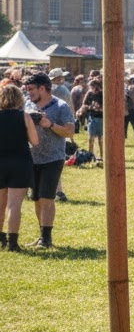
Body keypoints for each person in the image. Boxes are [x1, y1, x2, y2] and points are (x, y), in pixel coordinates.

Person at [23, 72, 76, 249]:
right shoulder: (28, 104)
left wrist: (50, 125)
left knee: (47, 197)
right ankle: (41, 235)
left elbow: (69, 131)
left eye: (31, 89)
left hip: (53, 158)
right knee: (37, 198)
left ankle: (47, 239)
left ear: (43, 88)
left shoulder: (60, 106)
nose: (28, 92)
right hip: (32, 157)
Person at [0, 82, 40, 253]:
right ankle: (13, 242)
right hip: (19, 162)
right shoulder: (24, 116)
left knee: (0, 204)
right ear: (19, 99)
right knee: (14, 205)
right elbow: (35, 141)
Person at [78, 76, 104, 162]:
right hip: (92, 118)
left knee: (101, 139)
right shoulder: (89, 94)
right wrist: (90, 107)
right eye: (91, 87)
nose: (93, 89)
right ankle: (90, 156)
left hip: (101, 119)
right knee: (91, 138)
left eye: (94, 87)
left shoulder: (103, 94)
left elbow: (108, 107)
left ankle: (102, 156)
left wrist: (100, 109)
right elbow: (84, 105)